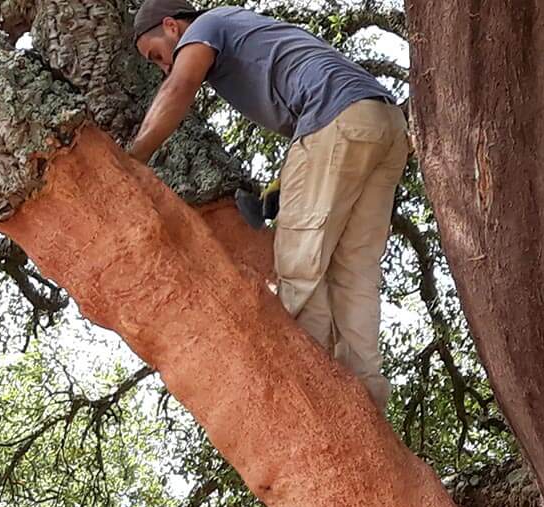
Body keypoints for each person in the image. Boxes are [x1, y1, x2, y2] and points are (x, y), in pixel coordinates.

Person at [129, 1, 408, 410]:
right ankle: (364, 401)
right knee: (355, 271)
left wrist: (132, 159)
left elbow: (178, 88)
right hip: (384, 123)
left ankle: (311, 394)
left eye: (157, 55)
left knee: (298, 266)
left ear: (172, 27)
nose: (163, 68)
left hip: (335, 119)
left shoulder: (206, 25)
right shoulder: (243, 27)